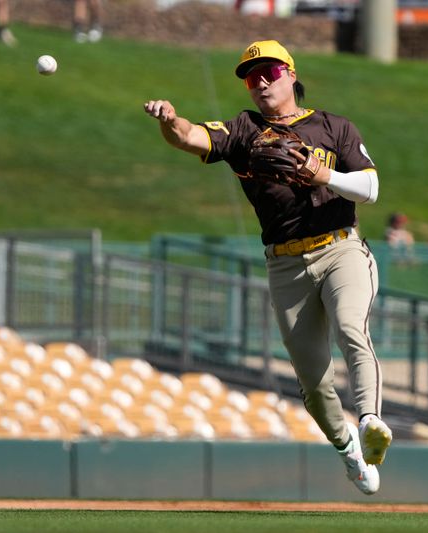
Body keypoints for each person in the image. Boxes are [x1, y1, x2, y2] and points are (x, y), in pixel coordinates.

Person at [143, 40, 391, 495]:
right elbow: (190, 137)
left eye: (270, 72)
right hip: (285, 264)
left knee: (351, 327)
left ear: (292, 75)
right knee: (313, 383)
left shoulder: (333, 126)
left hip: (341, 248)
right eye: (250, 76)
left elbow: (370, 187)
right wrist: (169, 120)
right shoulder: (244, 129)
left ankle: (372, 420)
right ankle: (349, 448)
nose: (260, 82)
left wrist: (324, 177)